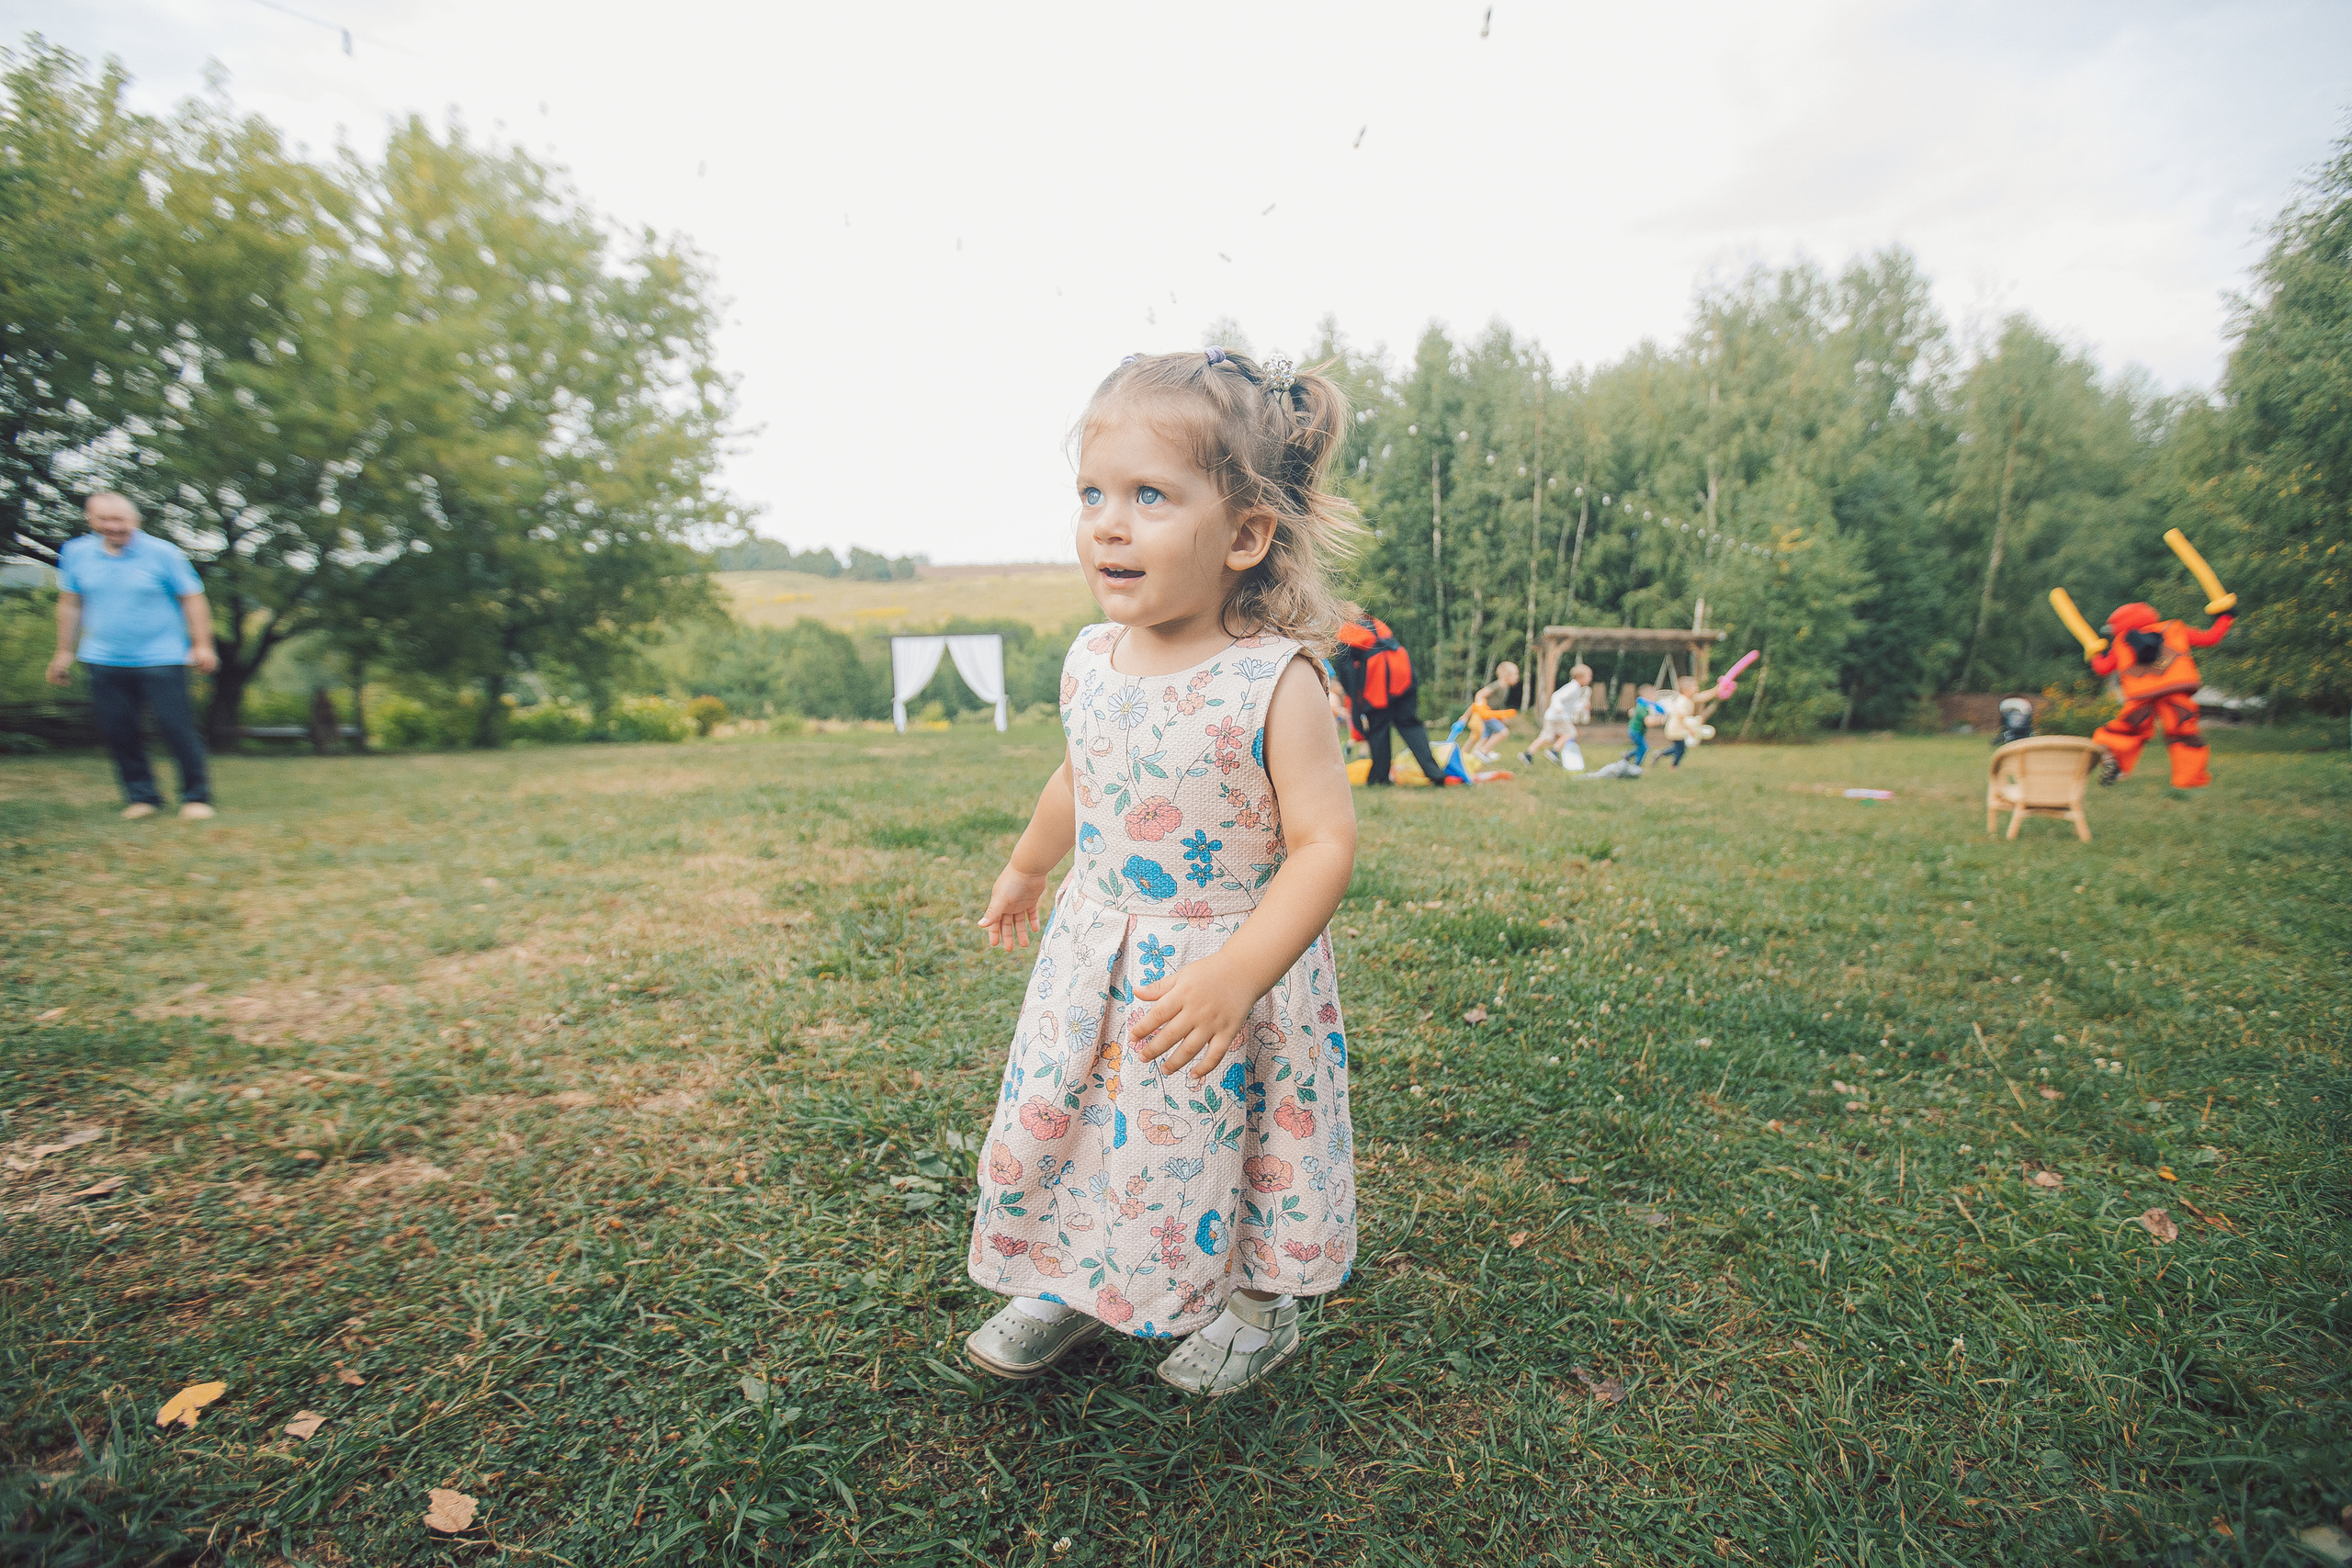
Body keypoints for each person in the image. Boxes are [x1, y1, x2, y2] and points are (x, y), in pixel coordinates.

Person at [964, 347, 1362, 1398]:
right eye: (1092, 493)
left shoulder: (1273, 682)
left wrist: (1240, 975)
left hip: (1224, 965)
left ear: (1244, 535)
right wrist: (1025, 865)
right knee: (1084, 1118)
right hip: (1097, 957)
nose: (1107, 521)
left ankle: (1253, 1305)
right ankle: (1067, 1270)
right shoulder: (1092, 658)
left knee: (1233, 1143)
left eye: (1149, 495)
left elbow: (1325, 845)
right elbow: (1079, 777)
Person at [45, 492, 217, 820]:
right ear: (91, 521)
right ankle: (143, 798)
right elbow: (70, 603)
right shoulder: (76, 553)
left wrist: (201, 644)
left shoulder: (163, 553)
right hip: (103, 658)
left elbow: (193, 599)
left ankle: (196, 797)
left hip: (162, 657)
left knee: (175, 727)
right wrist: (64, 652)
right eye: (104, 520)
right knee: (118, 730)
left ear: (135, 520)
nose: (113, 526)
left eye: (120, 519)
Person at [1332, 606, 1453, 786]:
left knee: (1378, 728)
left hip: (1379, 680)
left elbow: (1346, 670)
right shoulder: (1374, 623)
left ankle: (1380, 777)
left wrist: (1356, 700)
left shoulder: (1346, 633)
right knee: (1409, 723)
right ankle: (1435, 773)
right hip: (1403, 673)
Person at [1521, 661, 1592, 770]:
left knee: (1546, 737)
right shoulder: (1573, 687)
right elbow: (1556, 696)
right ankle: (1553, 751)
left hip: (1552, 716)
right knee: (1570, 733)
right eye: (1588, 676)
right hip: (1559, 716)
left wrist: (1582, 707)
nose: (1590, 679)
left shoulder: (1576, 688)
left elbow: (1571, 705)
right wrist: (1559, 708)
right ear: (1580, 677)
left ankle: (1528, 754)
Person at [1455, 660, 1519, 762]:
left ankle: (1470, 760)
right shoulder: (1497, 685)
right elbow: (1480, 694)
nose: (1517, 677)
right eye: (1515, 674)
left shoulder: (1505, 688)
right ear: (1507, 675)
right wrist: (1482, 709)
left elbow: (1496, 706)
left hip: (1490, 716)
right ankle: (1483, 751)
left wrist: (1501, 717)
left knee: (1485, 738)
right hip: (1486, 716)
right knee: (1503, 732)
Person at [1657, 675, 1722, 769]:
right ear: (1686, 689)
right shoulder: (1682, 701)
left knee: (1678, 748)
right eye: (1694, 686)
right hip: (1675, 728)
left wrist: (1717, 689)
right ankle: (1673, 766)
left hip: (1680, 727)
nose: (1697, 688)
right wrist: (1690, 730)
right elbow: (1680, 719)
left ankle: (1660, 754)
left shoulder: (1690, 698)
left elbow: (1704, 696)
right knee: (1680, 749)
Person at [1622, 682, 1664, 767]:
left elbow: (1631, 712)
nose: (1655, 698)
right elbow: (1647, 722)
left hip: (1638, 731)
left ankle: (1627, 755)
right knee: (1644, 748)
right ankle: (1636, 766)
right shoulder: (1642, 707)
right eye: (1654, 695)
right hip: (1635, 731)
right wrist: (1660, 720)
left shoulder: (1643, 705)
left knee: (1640, 747)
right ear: (1647, 695)